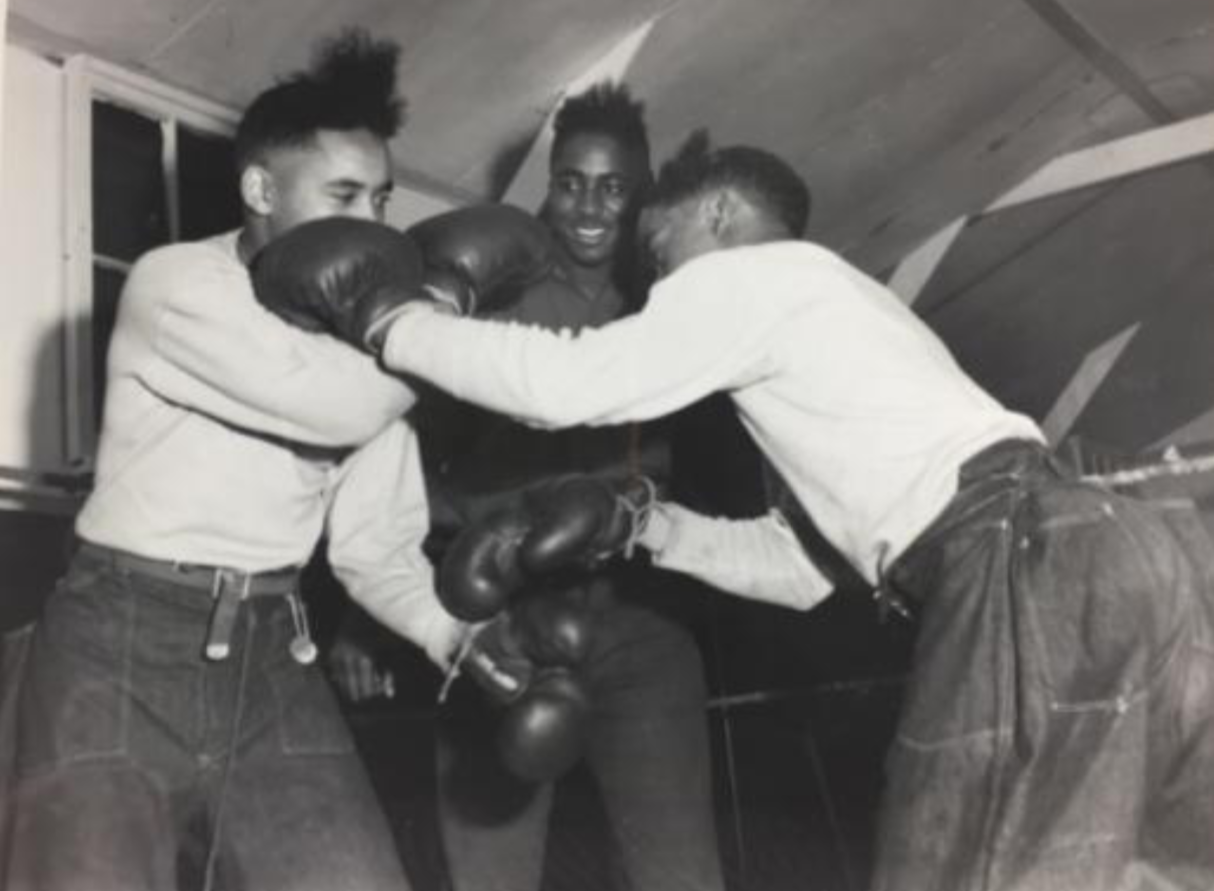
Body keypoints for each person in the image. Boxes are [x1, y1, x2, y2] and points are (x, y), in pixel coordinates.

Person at [255, 130, 1214, 891]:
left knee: (948, 862)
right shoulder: (845, 322)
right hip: (1122, 547)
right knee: (1154, 863)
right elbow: (802, 571)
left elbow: (568, 385)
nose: (660, 284)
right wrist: (646, 524)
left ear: (716, 215)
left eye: (661, 254)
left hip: (1019, 563)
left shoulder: (753, 275)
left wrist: (398, 324)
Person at [1, 29, 467, 891]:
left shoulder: (369, 347)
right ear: (260, 189)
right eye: (343, 194)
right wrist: (441, 321)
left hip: (273, 653)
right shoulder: (175, 283)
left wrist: (459, 637)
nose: (371, 224)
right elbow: (339, 405)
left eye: (381, 200)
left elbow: (376, 548)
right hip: (117, 644)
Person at [329, 84, 726, 891]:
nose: (588, 207)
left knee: (682, 875)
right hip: (499, 621)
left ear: (642, 194)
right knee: (490, 875)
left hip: (635, 622)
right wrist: (363, 622)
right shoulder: (490, 294)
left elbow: (687, 476)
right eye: (570, 182)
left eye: (613, 187)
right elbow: (405, 454)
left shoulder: (673, 304)